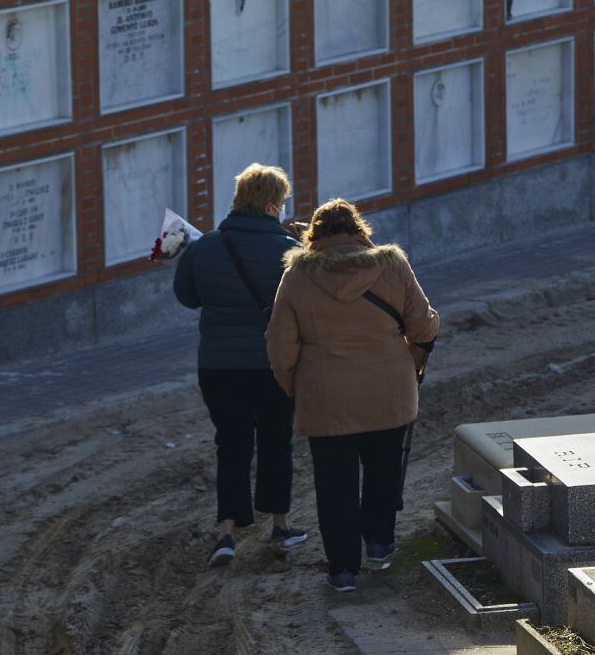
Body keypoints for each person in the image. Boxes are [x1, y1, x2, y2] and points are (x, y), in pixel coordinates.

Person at [266, 199, 439, 592]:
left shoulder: (296, 276)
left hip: (326, 393)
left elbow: (279, 343)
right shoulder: (392, 264)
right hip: (389, 390)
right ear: (360, 230)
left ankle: (342, 569)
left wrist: (295, 384)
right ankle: (379, 546)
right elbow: (424, 323)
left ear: (314, 236)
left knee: (334, 483)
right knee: (383, 469)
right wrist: (409, 362)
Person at [174, 163, 307, 568]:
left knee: (230, 445)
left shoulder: (203, 247)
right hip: (273, 365)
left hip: (218, 367)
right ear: (270, 206)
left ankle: (227, 534)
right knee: (275, 441)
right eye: (282, 203)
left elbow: (187, 297)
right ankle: (280, 525)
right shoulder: (290, 252)